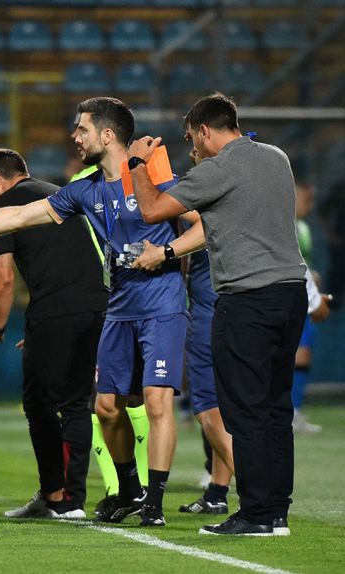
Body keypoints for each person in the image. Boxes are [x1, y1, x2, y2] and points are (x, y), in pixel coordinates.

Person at [0, 97, 206, 527]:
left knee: (155, 401)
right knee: (107, 409)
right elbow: (17, 216)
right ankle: (129, 487)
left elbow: (203, 226)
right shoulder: (84, 188)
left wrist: (166, 251)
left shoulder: (155, 174)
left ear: (107, 135)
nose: (75, 137)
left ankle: (154, 502)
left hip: (163, 307)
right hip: (119, 308)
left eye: (82, 129)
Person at [130, 93, 307, 536]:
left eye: (192, 138)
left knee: (244, 409)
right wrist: (170, 249)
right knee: (274, 407)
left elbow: (152, 208)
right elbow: (220, 223)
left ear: (206, 130)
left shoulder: (217, 169)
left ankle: (255, 515)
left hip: (246, 298)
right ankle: (276, 511)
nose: (192, 148)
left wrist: (138, 165)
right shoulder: (276, 157)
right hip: (289, 294)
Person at [0, 149, 107, 519]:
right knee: (77, 403)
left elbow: (3, 277)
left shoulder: (4, 209)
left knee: (39, 404)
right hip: (95, 305)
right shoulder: (59, 192)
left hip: (55, 309)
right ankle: (73, 500)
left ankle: (52, 495)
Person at [133, 147, 235, 516]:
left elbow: (169, 211)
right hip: (244, 306)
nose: (191, 151)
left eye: (194, 143)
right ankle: (218, 492)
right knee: (228, 410)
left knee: (208, 410)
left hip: (211, 311)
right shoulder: (244, 189)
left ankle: (260, 494)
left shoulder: (204, 194)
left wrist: (147, 170)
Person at [292, 182, 331, 433]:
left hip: (308, 298)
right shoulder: (285, 226)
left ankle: (294, 410)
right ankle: (290, 411)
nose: (309, 206)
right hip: (296, 298)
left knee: (305, 356)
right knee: (298, 355)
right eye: (306, 200)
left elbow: (305, 262)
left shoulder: (303, 228)